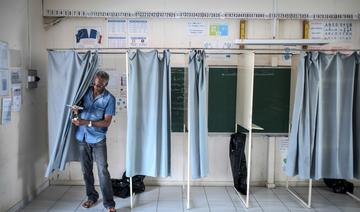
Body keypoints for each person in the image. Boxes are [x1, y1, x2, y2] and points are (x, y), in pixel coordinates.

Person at [71, 71, 116, 212]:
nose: (96, 87)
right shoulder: (85, 92)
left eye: (99, 85)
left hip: (98, 139)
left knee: (103, 171)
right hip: (82, 137)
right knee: (86, 170)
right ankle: (91, 196)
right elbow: (78, 110)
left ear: (105, 84)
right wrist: (75, 112)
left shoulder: (110, 99)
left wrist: (86, 122)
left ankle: (109, 204)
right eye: (95, 84)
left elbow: (106, 122)